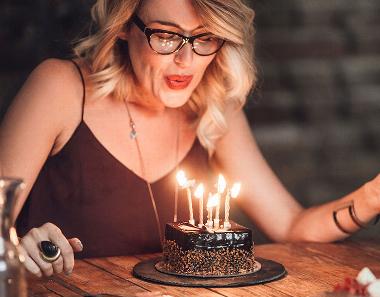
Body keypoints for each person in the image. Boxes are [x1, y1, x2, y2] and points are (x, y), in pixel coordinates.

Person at [0, 0, 379, 278]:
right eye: (166, 36)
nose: (186, 60)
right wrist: (19, 245)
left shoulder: (214, 106)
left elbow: (292, 226)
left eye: (204, 37)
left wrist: (369, 198)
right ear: (124, 26)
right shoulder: (60, 87)